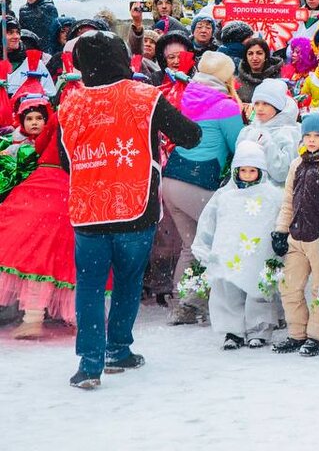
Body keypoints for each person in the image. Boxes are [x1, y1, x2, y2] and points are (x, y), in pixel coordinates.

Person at [57, 31, 201, 389]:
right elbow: (190, 135)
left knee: (89, 285)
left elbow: (65, 161)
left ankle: (89, 364)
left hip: (88, 210)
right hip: (136, 208)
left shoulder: (70, 103)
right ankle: (118, 348)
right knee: (128, 280)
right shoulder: (145, 97)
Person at [160, 51, 243, 325]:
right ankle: (226, 302)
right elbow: (240, 146)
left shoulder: (190, 97)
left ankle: (184, 303)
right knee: (220, 240)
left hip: (171, 178)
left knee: (191, 245)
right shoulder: (226, 106)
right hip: (199, 180)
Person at [191, 142, 283, 350]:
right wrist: (204, 246)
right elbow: (208, 221)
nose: (248, 174)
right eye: (243, 170)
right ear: (236, 171)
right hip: (230, 249)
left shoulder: (272, 194)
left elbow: (281, 217)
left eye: (253, 170)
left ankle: (259, 329)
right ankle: (232, 330)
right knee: (227, 288)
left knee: (258, 289)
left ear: (261, 171)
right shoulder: (224, 195)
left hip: (259, 250)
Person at [271, 112, 319, 357]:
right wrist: (281, 230)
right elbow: (287, 202)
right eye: (307, 135)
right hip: (297, 236)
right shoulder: (297, 164)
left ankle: (317, 336)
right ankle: (297, 333)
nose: (312, 140)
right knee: (289, 286)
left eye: (317, 136)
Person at [0, 96, 72, 338]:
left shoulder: (62, 113)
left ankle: (33, 318)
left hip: (42, 185)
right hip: (72, 189)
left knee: (33, 252)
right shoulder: (98, 116)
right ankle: (79, 316)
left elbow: (41, 146)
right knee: (66, 256)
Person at [237, 79, 301, 187]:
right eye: (256, 103)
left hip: (274, 193)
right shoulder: (250, 130)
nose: (260, 108)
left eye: (266, 104)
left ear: (278, 107)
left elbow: (283, 174)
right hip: (248, 192)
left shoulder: (289, 133)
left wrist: (267, 145)